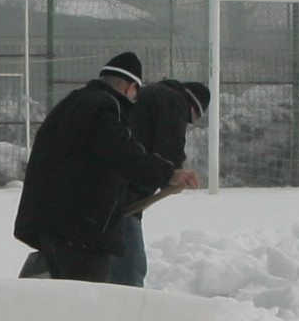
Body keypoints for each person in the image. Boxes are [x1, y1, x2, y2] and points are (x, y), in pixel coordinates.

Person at [14, 51, 199, 283]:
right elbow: (123, 153)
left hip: (49, 220)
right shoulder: (106, 108)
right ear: (130, 88)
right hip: (81, 227)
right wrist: (168, 173)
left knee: (64, 297)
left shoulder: (71, 103)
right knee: (90, 302)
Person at [113, 77, 209, 287]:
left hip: (109, 187)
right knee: (129, 266)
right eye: (190, 119)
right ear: (192, 107)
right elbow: (169, 145)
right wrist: (173, 174)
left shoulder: (148, 96)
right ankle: (127, 309)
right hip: (122, 195)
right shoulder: (174, 101)